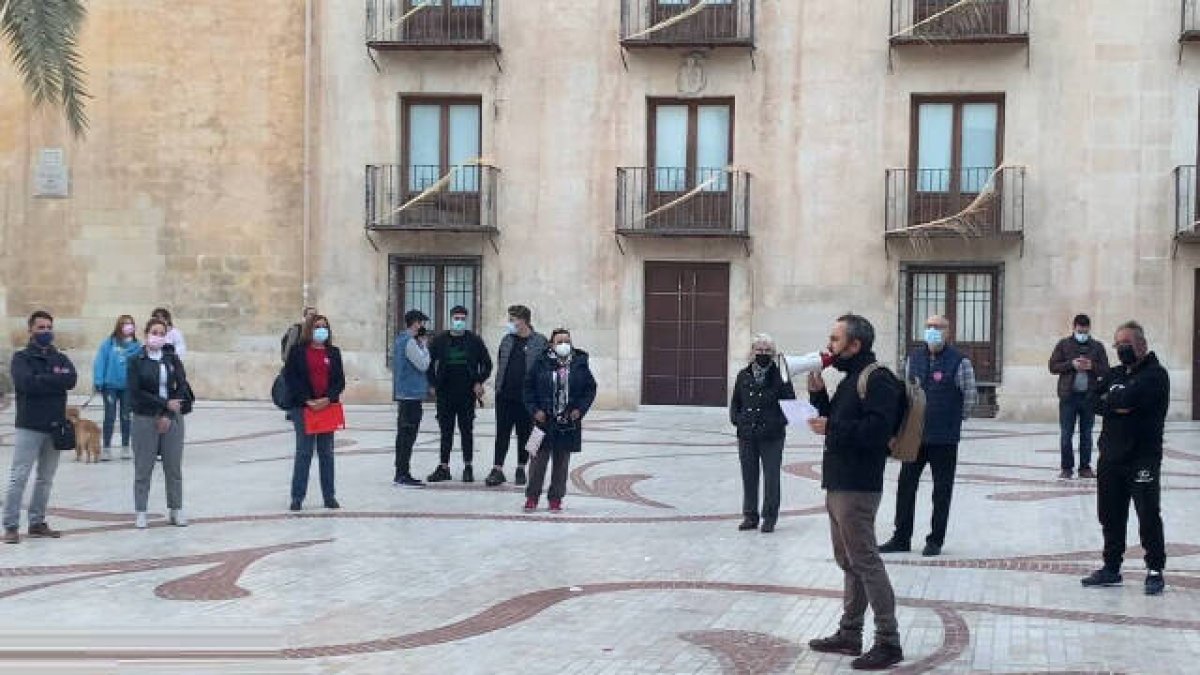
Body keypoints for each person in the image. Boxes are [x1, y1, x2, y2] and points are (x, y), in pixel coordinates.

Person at [806, 314, 904, 671]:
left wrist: (833, 425)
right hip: (838, 481)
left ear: (854, 345)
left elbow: (876, 431)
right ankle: (850, 633)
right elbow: (839, 422)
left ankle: (888, 642)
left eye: (835, 339)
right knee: (848, 562)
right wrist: (819, 398)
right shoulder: (851, 379)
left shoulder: (878, 379)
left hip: (858, 486)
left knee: (866, 563)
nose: (829, 346)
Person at [1081, 321, 1170, 596]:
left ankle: (1154, 570)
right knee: (1110, 514)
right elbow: (1091, 400)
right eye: (1117, 345)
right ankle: (1111, 567)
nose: (1121, 349)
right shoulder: (1115, 372)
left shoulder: (1156, 375)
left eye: (1126, 344)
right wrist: (1116, 402)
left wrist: (1116, 399)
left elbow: (1131, 397)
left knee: (1147, 513)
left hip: (1142, 457)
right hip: (1110, 457)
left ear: (1141, 345)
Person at [880, 315, 977, 557]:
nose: (933, 331)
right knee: (905, 487)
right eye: (929, 327)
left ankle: (935, 540)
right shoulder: (914, 358)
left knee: (941, 491)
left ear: (948, 331)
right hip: (915, 437)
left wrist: (953, 420)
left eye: (939, 327)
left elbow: (970, 396)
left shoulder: (960, 361)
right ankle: (901, 537)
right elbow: (903, 393)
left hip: (944, 438)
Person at [3, 311, 77, 544]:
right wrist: (54, 380)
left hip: (54, 426)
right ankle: (11, 525)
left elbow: (71, 379)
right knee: (19, 476)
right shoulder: (21, 358)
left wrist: (43, 379)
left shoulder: (60, 358)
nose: (46, 332)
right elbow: (25, 383)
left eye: (49, 327)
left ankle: (37, 521)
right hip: (30, 425)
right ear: (31, 330)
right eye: (41, 328)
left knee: (45, 478)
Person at [129, 317, 194, 529]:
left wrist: (167, 412)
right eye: (154, 332)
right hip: (145, 418)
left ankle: (176, 508)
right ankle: (141, 511)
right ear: (146, 334)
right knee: (143, 467)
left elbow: (182, 385)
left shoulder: (171, 359)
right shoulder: (136, 360)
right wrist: (163, 403)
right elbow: (136, 392)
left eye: (161, 333)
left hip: (172, 416)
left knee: (173, 466)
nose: (158, 336)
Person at [522, 329, 597, 512]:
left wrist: (579, 409)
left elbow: (590, 389)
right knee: (537, 462)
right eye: (559, 341)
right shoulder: (540, 362)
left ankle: (556, 498)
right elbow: (528, 388)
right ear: (551, 344)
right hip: (542, 421)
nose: (563, 344)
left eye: (566, 341)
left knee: (561, 463)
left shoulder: (579, 363)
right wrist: (535, 410)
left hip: (567, 422)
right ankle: (532, 496)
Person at [729, 333, 796, 534]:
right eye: (759, 350)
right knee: (749, 476)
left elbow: (790, 406)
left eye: (767, 351)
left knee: (771, 477)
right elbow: (736, 403)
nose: (763, 354)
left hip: (772, 436)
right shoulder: (743, 375)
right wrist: (737, 420)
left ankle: (769, 517)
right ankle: (750, 516)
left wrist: (776, 423)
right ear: (752, 352)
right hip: (747, 434)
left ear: (773, 354)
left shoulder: (781, 377)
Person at [283, 314, 345, 511]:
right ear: (310, 329)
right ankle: (297, 497)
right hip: (304, 408)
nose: (322, 330)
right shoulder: (297, 352)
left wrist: (327, 398)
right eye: (318, 326)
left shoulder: (333, 352)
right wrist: (308, 400)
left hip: (327, 407)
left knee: (326, 453)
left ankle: (329, 496)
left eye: (325, 327)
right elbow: (291, 378)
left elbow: (339, 381)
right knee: (304, 452)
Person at [426, 305, 492, 483]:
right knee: (445, 431)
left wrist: (479, 380)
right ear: (450, 319)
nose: (459, 322)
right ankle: (444, 467)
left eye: (463, 318)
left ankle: (468, 466)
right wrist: (432, 383)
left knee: (466, 431)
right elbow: (428, 363)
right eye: (456, 318)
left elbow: (487, 364)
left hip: (467, 393)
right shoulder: (440, 340)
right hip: (445, 393)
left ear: (466, 320)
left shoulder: (474, 341)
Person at [485, 305, 548, 487]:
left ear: (523, 321)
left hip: (527, 399)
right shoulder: (507, 340)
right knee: (502, 433)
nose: (510, 323)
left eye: (512, 320)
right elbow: (501, 363)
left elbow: (544, 369)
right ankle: (497, 469)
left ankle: (521, 468)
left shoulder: (540, 341)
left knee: (525, 434)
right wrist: (498, 387)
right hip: (505, 395)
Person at [1048, 313, 1110, 480]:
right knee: (1066, 434)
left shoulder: (1097, 347)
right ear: (1074, 328)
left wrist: (1092, 366)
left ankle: (1085, 467)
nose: (1082, 333)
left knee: (1087, 434)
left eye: (1085, 330)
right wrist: (1071, 364)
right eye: (1079, 330)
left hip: (1089, 397)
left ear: (1089, 329)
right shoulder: (1064, 344)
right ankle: (1066, 468)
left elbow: (1106, 370)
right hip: (1068, 397)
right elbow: (1052, 366)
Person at [93, 314, 142, 461]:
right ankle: (106, 447)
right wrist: (98, 380)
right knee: (109, 416)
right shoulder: (109, 343)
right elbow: (100, 361)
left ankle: (125, 447)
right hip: (110, 386)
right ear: (119, 326)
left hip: (127, 387)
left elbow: (140, 367)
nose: (128, 326)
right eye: (125, 324)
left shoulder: (137, 346)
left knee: (126, 417)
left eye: (130, 324)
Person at [393, 309, 431, 488]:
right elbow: (423, 365)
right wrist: (424, 346)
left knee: (404, 435)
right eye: (422, 322)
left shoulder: (401, 339)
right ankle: (402, 473)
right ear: (415, 323)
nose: (423, 326)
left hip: (405, 394)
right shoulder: (410, 342)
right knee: (407, 436)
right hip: (411, 395)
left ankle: (401, 472)